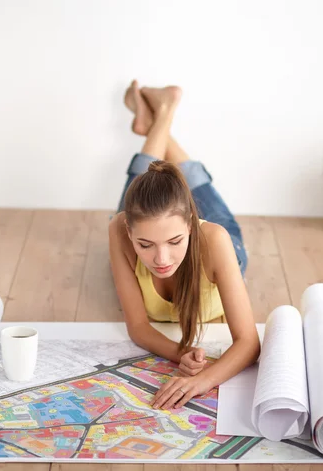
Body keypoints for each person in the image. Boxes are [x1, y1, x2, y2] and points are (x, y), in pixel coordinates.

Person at [109, 81, 260, 411]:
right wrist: (182, 354)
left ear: (190, 225)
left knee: (192, 182)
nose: (161, 259)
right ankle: (158, 117)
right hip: (150, 217)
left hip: (224, 247)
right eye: (145, 245)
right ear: (130, 233)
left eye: (174, 242)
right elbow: (137, 327)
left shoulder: (213, 239)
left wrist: (199, 381)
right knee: (141, 189)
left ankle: (162, 112)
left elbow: (249, 343)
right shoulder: (119, 228)